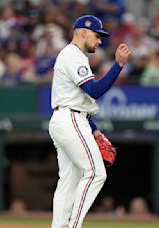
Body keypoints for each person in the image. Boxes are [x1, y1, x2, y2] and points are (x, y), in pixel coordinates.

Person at [48, 15, 130, 228]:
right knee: (95, 173)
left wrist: (93, 130)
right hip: (70, 119)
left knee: (68, 182)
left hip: (68, 118)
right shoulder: (73, 55)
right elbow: (93, 91)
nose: (100, 41)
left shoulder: (72, 56)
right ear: (83, 32)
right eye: (97, 35)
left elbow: (82, 100)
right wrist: (118, 66)